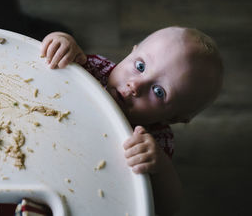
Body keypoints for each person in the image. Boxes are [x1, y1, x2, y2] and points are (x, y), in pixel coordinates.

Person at [40, 26, 223, 216]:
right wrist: (61, 41)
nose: (135, 85)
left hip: (87, 186)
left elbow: (167, 207)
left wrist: (160, 167)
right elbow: (47, 67)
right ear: (132, 52)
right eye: (140, 66)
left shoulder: (154, 141)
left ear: (173, 118)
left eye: (158, 91)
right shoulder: (94, 70)